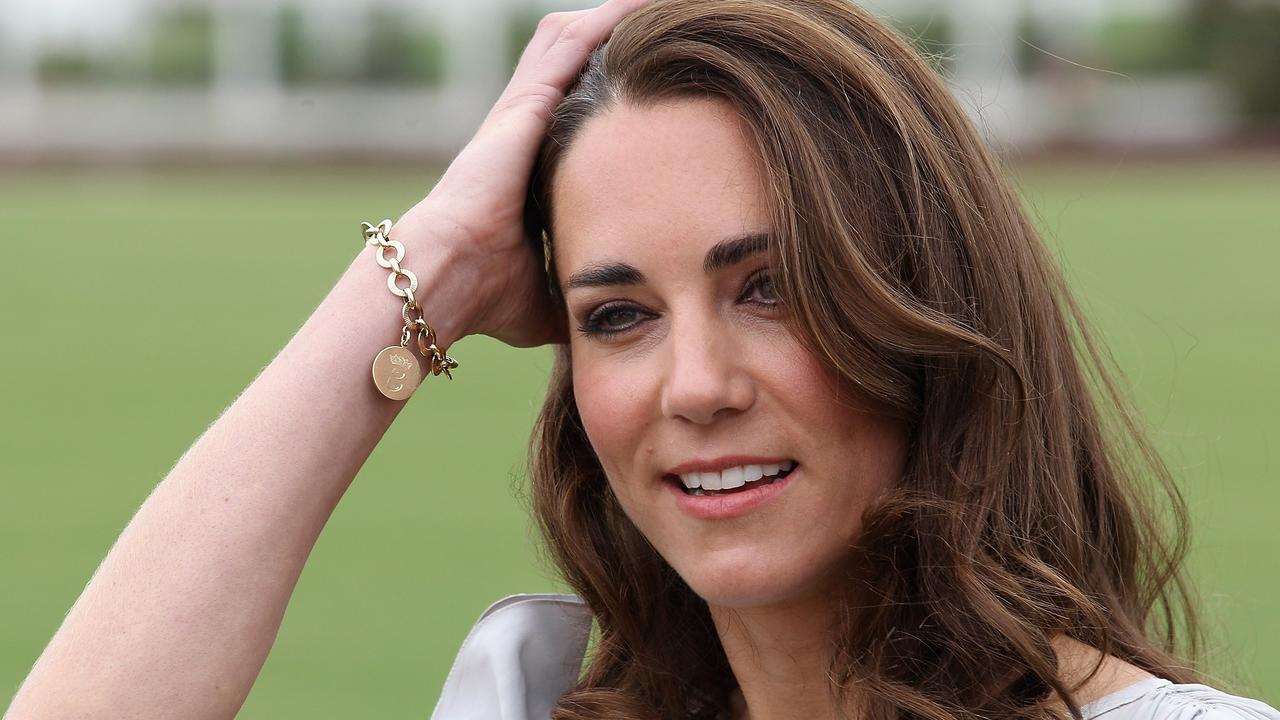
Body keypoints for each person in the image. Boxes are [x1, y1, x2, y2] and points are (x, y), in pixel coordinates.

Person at [5, 1, 1278, 719]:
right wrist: (423, 276)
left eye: (770, 288)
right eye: (617, 315)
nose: (694, 385)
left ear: (920, 303)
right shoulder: (527, 705)